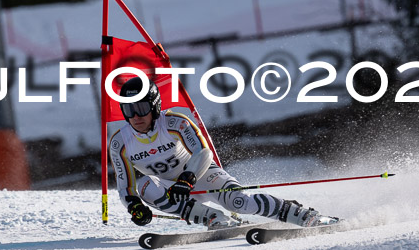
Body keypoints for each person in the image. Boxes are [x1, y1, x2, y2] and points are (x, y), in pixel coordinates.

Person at [109, 77, 340, 229]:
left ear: (155, 105)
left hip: (201, 176)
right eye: (128, 110)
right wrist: (134, 207)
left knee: (241, 202)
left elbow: (203, 153)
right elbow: (125, 187)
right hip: (173, 190)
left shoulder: (175, 124)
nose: (135, 116)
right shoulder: (120, 143)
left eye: (140, 108)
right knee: (146, 186)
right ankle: (214, 219)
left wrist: (187, 179)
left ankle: (304, 215)